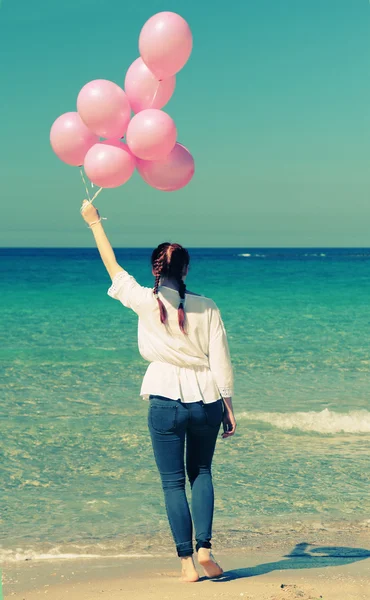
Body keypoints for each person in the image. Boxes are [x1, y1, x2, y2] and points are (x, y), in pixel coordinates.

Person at [80, 199, 236, 583]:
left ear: (154, 269)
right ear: (186, 269)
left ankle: (186, 563)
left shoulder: (144, 302)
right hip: (207, 399)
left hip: (165, 399)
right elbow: (221, 360)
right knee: (201, 471)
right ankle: (205, 549)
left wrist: (94, 222)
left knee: (172, 483)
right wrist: (229, 406)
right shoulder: (208, 306)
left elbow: (113, 268)